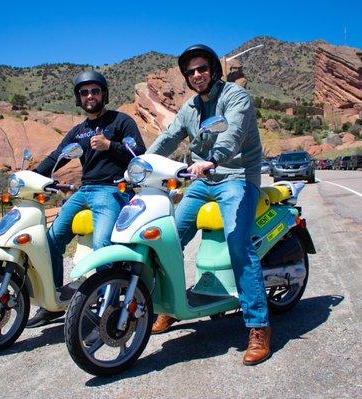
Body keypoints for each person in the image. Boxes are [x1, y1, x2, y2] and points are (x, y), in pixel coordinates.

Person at [146, 44, 271, 366]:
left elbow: (233, 134)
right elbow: (169, 138)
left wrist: (213, 159)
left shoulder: (235, 96)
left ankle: (258, 326)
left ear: (212, 69)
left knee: (238, 245)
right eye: (190, 72)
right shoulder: (189, 109)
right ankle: (172, 306)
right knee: (167, 238)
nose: (197, 75)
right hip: (203, 182)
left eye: (202, 68)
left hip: (237, 176)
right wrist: (143, 163)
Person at [27, 71, 146, 327]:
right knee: (51, 241)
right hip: (84, 190)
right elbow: (57, 156)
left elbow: (139, 154)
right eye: (84, 92)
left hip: (113, 189)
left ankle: (109, 304)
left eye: (94, 91)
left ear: (104, 93)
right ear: (78, 98)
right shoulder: (78, 132)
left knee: (103, 245)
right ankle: (54, 301)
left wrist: (110, 145)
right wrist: (32, 177)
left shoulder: (121, 121)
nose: (90, 96)